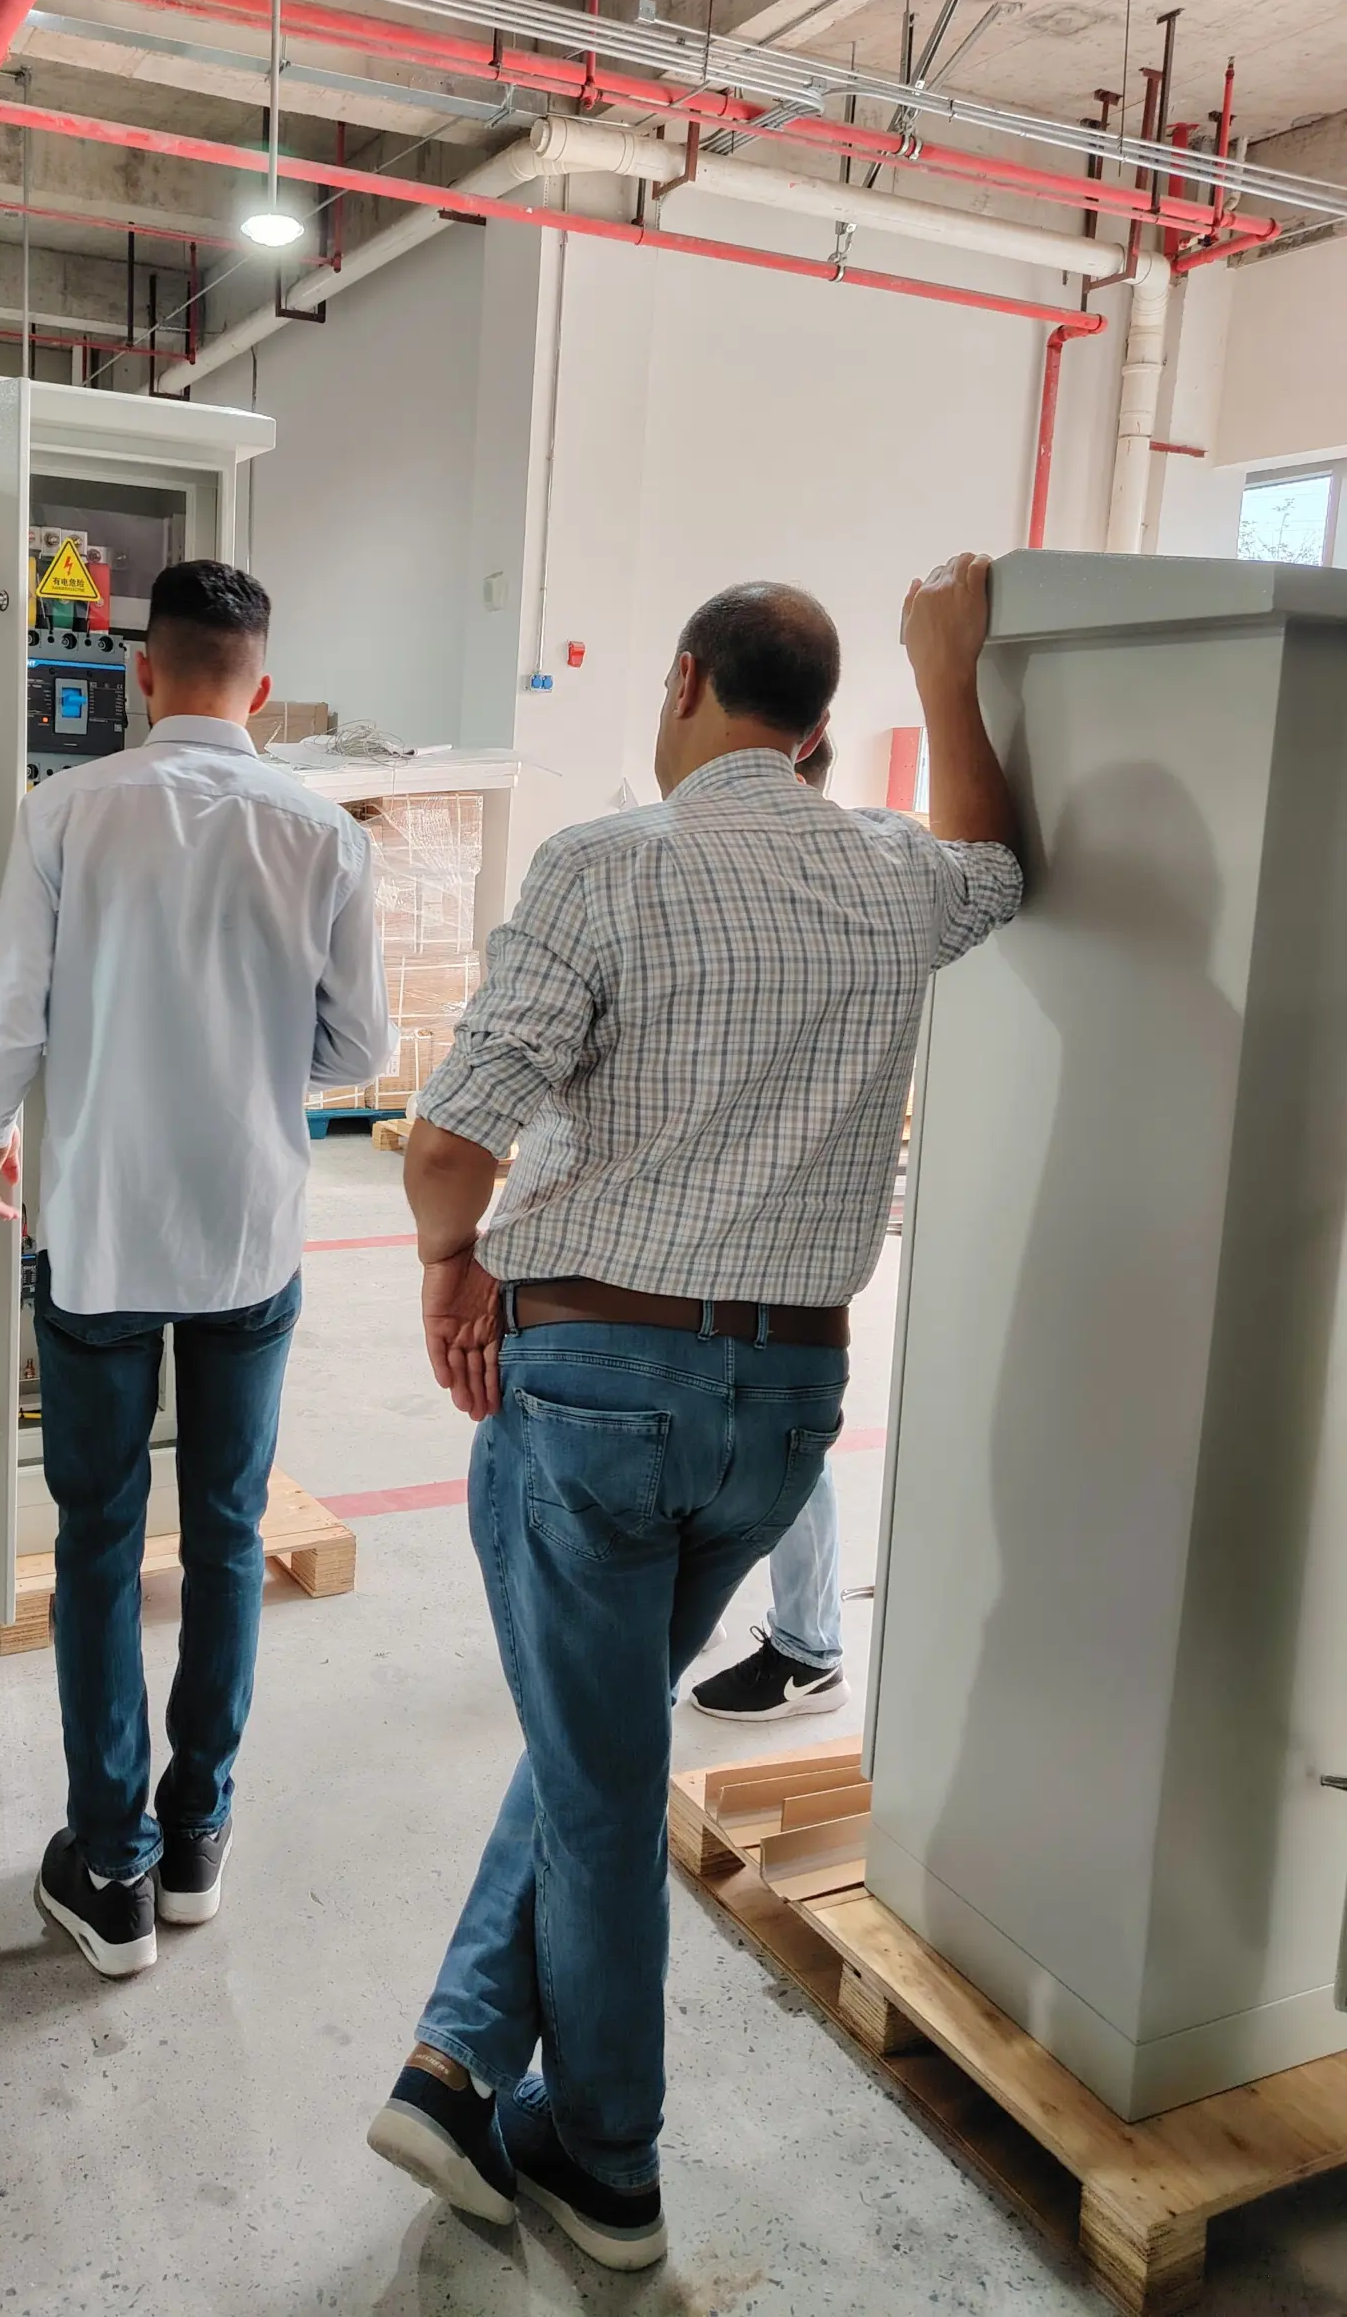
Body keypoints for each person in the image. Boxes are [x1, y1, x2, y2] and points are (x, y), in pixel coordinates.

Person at [367, 555, 1022, 2270]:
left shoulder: (608, 863)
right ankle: (453, 2066)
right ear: (815, 731)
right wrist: (945, 670)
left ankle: (609, 2165)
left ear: (679, 686)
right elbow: (999, 862)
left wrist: (450, 1266)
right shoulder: (894, 876)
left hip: (591, 1393)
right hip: (784, 1416)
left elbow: (448, 1142)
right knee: (600, 1746)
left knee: (598, 1784)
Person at [0, 559, 393, 1981]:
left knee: (92, 1541)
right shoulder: (326, 833)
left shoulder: (68, 811)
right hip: (248, 1235)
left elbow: (2, 1012)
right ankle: (196, 1836)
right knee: (223, 1533)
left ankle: (112, 1865)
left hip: (96, 1232)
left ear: (142, 674)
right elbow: (357, 1052)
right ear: (260, 687)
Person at [689, 722, 850, 1722]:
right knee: (722, 1418)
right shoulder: (824, 872)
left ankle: (809, 1645)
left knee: (784, 1436)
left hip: (780, 1222)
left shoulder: (828, 882)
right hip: (731, 1213)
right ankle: (702, 1598)